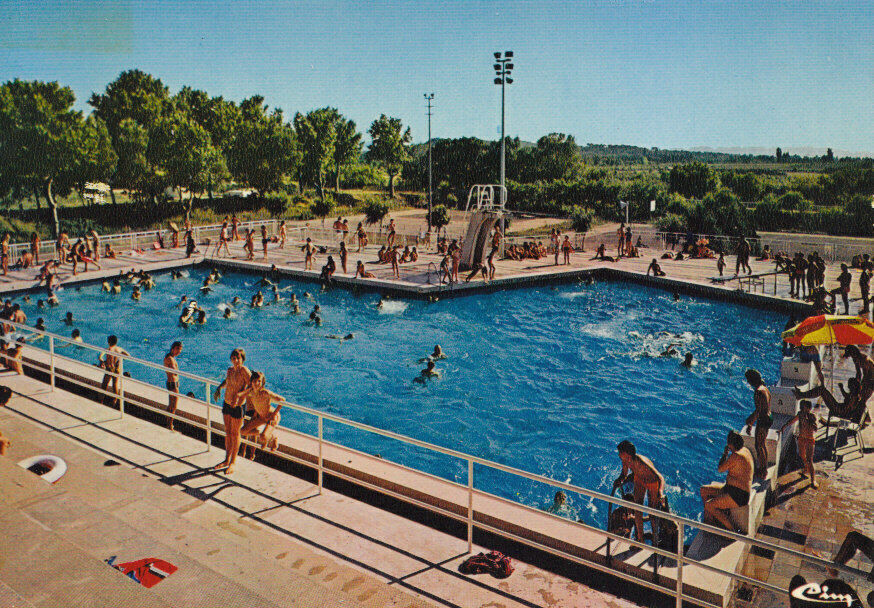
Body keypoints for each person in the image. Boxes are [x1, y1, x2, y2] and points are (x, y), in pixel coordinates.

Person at [699, 431, 754, 531]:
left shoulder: (736, 456)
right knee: (703, 490)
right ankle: (710, 521)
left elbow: (720, 469)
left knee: (709, 505)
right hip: (730, 489)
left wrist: (725, 454)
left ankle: (731, 531)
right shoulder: (745, 450)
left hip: (738, 495)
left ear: (730, 444)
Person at [612, 440, 665, 543]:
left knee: (652, 511)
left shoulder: (641, 461)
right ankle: (640, 539)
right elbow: (624, 474)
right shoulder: (625, 461)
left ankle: (655, 539)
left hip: (652, 482)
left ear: (627, 453)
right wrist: (619, 480)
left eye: (620, 452)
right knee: (637, 508)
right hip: (639, 480)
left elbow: (660, 477)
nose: (619, 455)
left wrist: (660, 492)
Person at [212, 348, 252, 474]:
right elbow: (227, 381)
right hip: (227, 403)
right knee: (228, 432)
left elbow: (252, 387)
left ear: (242, 359)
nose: (236, 361)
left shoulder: (244, 370)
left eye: (238, 358)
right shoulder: (230, 370)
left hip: (238, 406)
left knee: (235, 434)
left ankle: (233, 462)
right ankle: (226, 459)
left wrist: (239, 395)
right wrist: (219, 388)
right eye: (234, 358)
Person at [237, 371, 285, 456]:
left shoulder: (265, 393)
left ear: (262, 382)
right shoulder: (251, 392)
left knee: (263, 437)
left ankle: (273, 437)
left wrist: (274, 415)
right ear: (251, 382)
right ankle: (266, 436)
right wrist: (255, 414)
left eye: (259, 381)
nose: (256, 383)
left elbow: (282, 400)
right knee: (243, 431)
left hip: (272, 416)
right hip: (261, 417)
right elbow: (242, 396)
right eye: (254, 381)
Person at [780, 399, 818, 488]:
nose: (804, 409)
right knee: (801, 455)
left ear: (808, 408)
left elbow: (815, 429)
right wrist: (784, 426)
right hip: (801, 438)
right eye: (803, 408)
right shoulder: (800, 414)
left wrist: (810, 422)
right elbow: (792, 421)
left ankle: (813, 480)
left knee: (809, 459)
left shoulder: (812, 416)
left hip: (809, 439)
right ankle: (806, 468)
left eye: (805, 408)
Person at [743, 368, 772, 479]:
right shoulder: (764, 388)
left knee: (759, 446)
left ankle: (762, 471)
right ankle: (764, 468)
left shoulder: (758, 392)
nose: (748, 382)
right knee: (762, 444)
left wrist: (750, 422)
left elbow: (758, 410)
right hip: (768, 418)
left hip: (763, 420)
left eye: (748, 380)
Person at [100, 335, 129, 408]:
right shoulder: (119, 349)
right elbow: (128, 355)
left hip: (109, 368)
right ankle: (114, 402)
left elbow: (100, 357)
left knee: (104, 384)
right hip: (116, 368)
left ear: (109, 342)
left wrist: (103, 362)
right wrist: (120, 361)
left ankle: (101, 400)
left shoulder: (108, 349)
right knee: (115, 385)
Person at [163, 342, 183, 430]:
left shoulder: (170, 357)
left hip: (171, 383)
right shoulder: (170, 359)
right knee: (173, 406)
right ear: (173, 348)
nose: (179, 351)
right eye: (177, 349)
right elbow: (174, 371)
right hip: (173, 384)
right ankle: (170, 425)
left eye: (180, 349)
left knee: (171, 405)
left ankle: (168, 423)